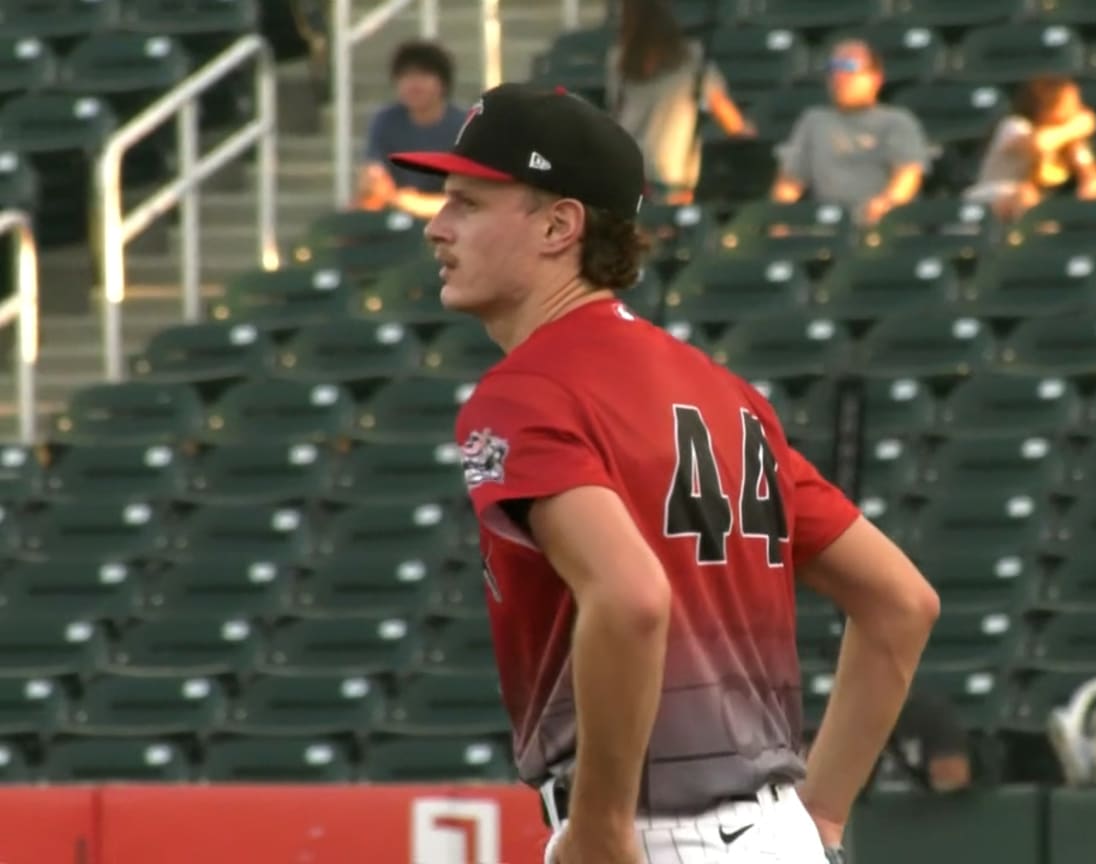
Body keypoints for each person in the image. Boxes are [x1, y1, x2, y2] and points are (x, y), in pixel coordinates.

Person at [389, 83, 940, 864]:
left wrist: (604, 827)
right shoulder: (727, 391)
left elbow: (631, 597)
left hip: (649, 834)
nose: (437, 228)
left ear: (559, 224)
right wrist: (819, 815)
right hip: (775, 833)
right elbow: (901, 604)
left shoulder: (526, 392)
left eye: (468, 204)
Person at [607, 0, 753, 205]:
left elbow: (616, 113)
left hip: (626, 170)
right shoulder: (692, 59)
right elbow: (728, 117)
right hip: (672, 176)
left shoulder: (617, 60)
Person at [772, 39, 929, 225]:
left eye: (849, 68)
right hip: (827, 223)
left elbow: (908, 175)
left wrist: (886, 204)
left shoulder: (897, 121)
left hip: (883, 223)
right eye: (834, 68)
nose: (840, 77)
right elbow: (791, 181)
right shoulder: (813, 121)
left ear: (875, 78)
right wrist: (778, 219)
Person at [964, 76, 1096, 220]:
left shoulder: (1069, 140)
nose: (1076, 110)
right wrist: (1075, 128)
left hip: (1032, 206)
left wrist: (1087, 189)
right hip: (989, 198)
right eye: (1069, 104)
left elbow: (1094, 179)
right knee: (1026, 194)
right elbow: (1038, 145)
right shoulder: (1014, 126)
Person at [357, 40, 468, 218]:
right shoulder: (385, 120)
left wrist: (414, 203)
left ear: (443, 82)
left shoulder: (464, 126)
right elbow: (373, 174)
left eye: (423, 76)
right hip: (395, 215)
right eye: (405, 76)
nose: (413, 85)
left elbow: (470, 198)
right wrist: (375, 183)